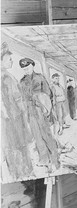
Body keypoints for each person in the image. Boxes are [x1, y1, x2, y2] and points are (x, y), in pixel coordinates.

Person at [1, 42, 34, 180]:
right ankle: (24, 173)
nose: (12, 61)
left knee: (13, 146)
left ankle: (19, 173)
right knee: (19, 145)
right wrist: (24, 113)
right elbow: (17, 99)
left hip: (9, 119)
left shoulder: (6, 76)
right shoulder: (6, 78)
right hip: (14, 118)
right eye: (9, 59)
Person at [19, 57, 59, 169]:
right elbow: (22, 98)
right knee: (37, 136)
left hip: (41, 110)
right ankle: (44, 159)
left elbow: (48, 94)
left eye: (28, 67)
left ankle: (55, 159)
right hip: (30, 111)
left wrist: (47, 109)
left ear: (32, 66)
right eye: (24, 69)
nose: (26, 70)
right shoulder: (22, 82)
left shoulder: (40, 78)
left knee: (46, 134)